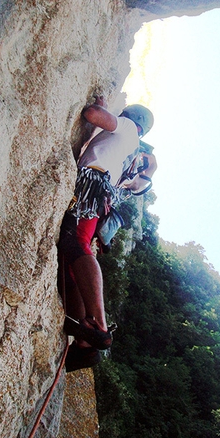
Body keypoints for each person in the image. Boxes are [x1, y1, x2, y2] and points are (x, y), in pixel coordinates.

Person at [58, 96, 157, 372]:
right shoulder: (132, 155)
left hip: (92, 183)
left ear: (130, 118)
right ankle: (84, 339)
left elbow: (92, 114)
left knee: (76, 243)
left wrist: (104, 110)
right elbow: (137, 187)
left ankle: (99, 326)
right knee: (69, 262)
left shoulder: (126, 128)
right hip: (101, 193)